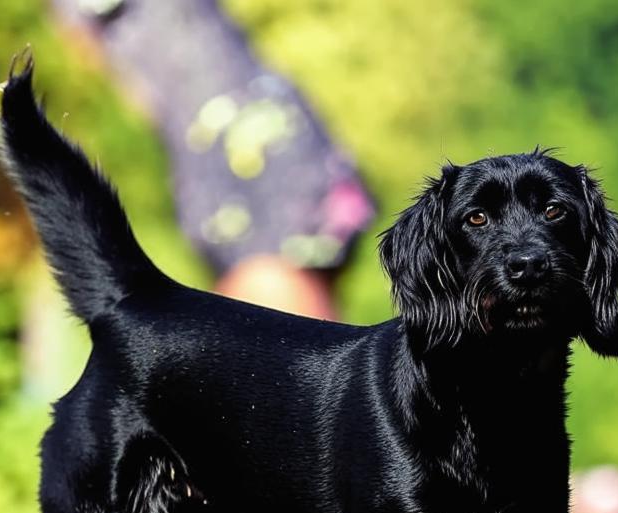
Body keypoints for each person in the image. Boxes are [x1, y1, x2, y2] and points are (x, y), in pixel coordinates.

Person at [52, 0, 376, 319]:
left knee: (268, 293)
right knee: (252, 315)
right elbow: (119, 76)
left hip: (256, 134)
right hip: (202, 155)